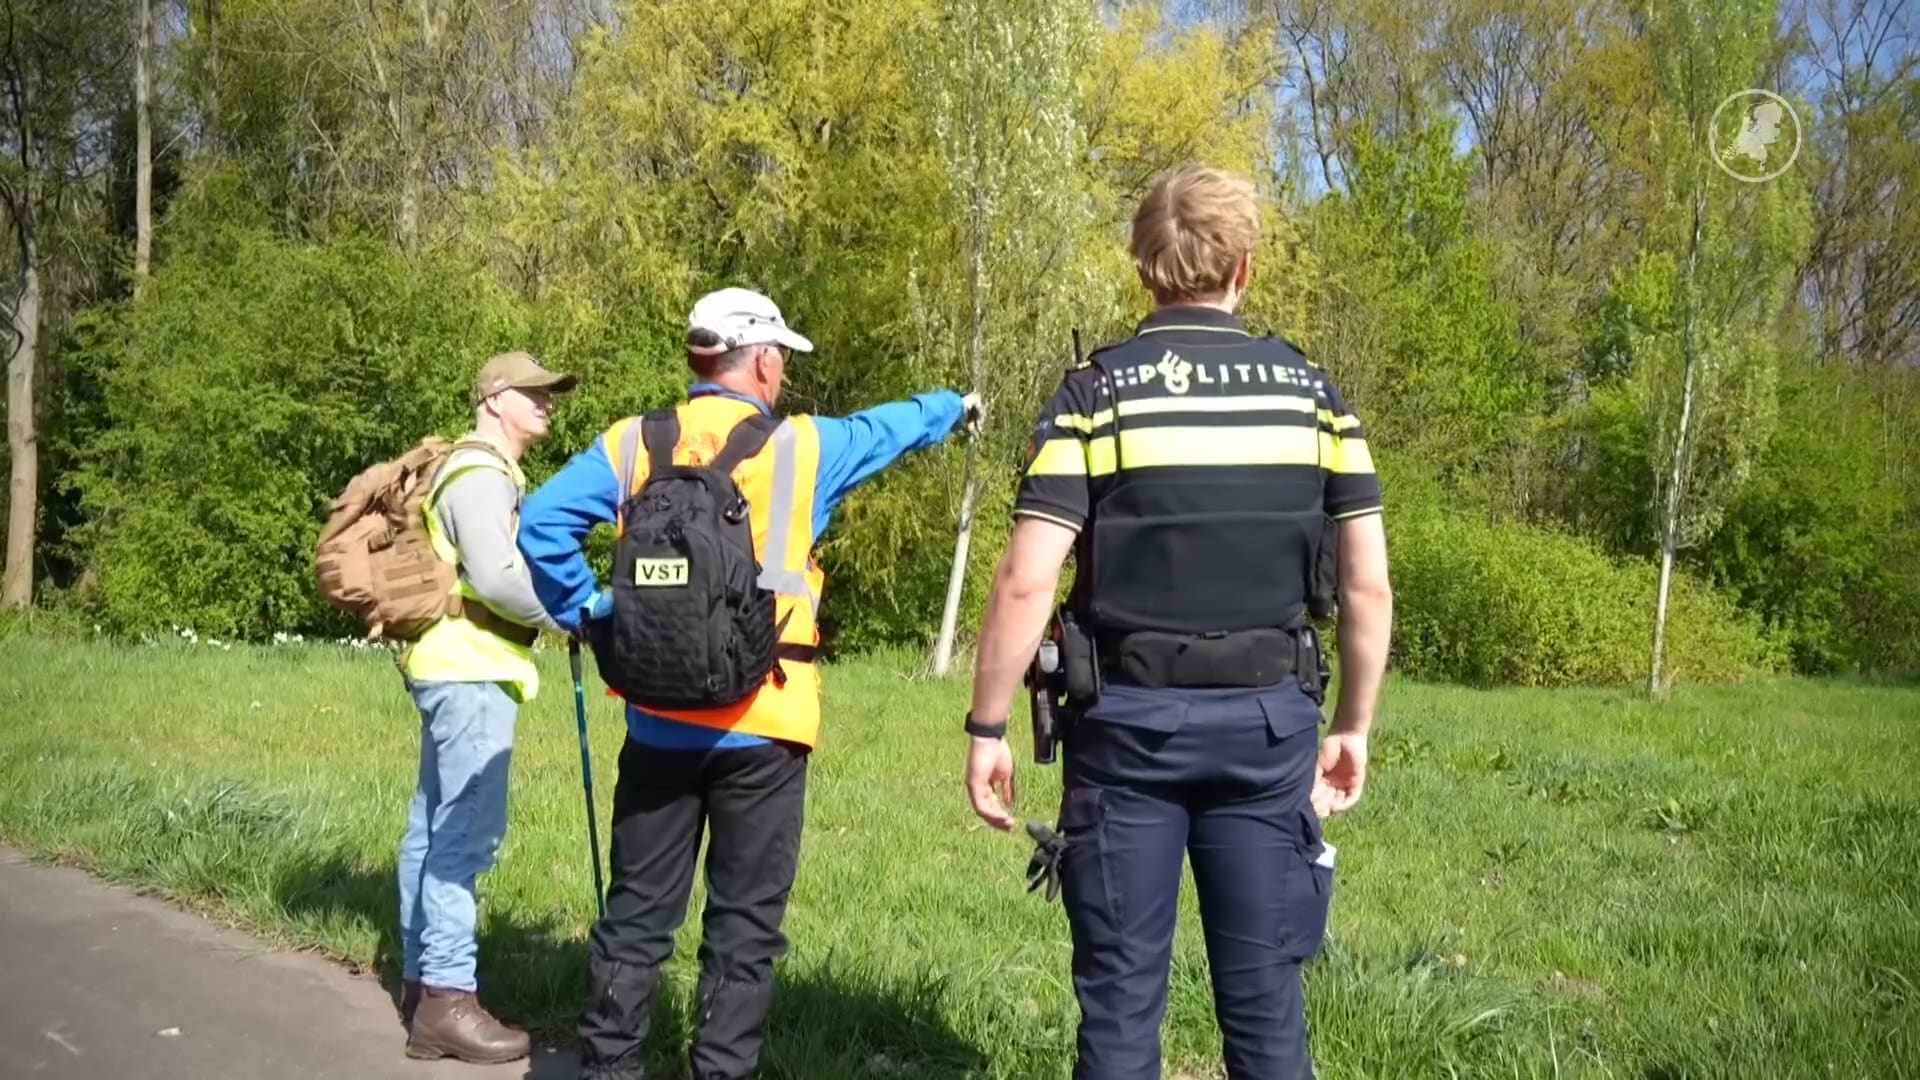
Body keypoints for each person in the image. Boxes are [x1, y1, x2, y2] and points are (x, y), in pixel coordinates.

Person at [961, 166, 1393, 1080]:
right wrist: (1352, 724)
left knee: (1119, 1007)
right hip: (1269, 729)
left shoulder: (1095, 395)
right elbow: (1367, 588)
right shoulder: (1316, 399)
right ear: (1244, 264)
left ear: (1143, 268)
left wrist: (988, 725)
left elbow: (1025, 579)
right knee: (1268, 1007)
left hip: (1127, 730)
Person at [517, 286, 982, 1080]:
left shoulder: (634, 442)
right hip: (764, 725)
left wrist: (595, 613)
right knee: (742, 934)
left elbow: (540, 523)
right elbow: (890, 429)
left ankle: (606, 1070)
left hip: (658, 722)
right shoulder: (804, 448)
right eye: (782, 361)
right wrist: (956, 406)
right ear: (762, 359)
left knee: (635, 921)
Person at [395, 350, 579, 1064]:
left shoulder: (483, 470)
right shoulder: (477, 474)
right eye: (535, 393)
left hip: (457, 667)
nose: (548, 403)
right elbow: (499, 579)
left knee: (432, 829)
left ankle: (420, 984)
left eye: (550, 394)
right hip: (470, 670)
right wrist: (572, 617)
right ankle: (446, 998)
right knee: (464, 838)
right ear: (496, 397)